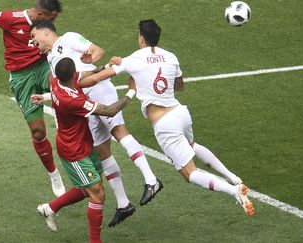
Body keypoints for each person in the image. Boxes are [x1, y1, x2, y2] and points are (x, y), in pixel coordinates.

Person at [81, 19, 255, 217]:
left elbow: (95, 79)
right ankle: (234, 178)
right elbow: (180, 85)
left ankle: (234, 191)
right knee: (192, 145)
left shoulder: (133, 59)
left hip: (165, 124)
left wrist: (75, 82)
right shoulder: (171, 56)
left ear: (141, 38)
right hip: (181, 113)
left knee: (190, 174)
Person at [30, 20, 163, 226]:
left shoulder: (69, 38)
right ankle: (123, 204)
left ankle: (151, 179)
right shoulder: (52, 57)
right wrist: (46, 97)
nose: (32, 40)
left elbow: (97, 51)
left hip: (98, 91)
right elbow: (67, 86)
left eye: (34, 35)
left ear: (46, 32)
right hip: (84, 103)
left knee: (119, 132)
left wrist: (90, 58)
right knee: (102, 151)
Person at [31, 57, 136, 243]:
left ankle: (49, 208)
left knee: (90, 187)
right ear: (72, 74)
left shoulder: (57, 81)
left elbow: (86, 74)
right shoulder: (73, 100)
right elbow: (110, 110)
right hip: (74, 152)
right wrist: (131, 92)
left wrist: (104, 67)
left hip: (84, 144)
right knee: (97, 194)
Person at [0, 1, 66, 197]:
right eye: (52, 17)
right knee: (38, 132)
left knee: (62, 87)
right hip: (21, 77)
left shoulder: (43, 26)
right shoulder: (9, 18)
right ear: (41, 15)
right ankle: (53, 174)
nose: (53, 22)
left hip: (42, 67)